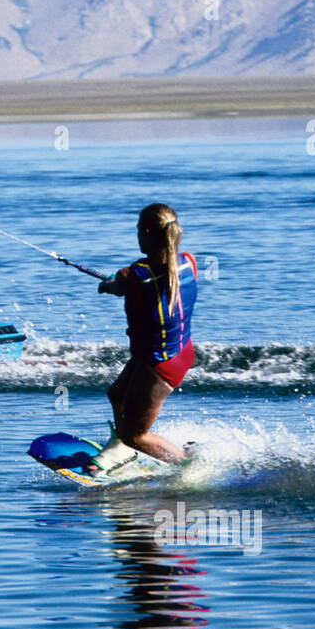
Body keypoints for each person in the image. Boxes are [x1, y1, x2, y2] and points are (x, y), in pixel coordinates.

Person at [87, 203, 198, 475]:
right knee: (116, 394)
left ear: (147, 232)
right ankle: (122, 447)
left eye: (138, 229)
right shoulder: (188, 262)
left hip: (160, 364)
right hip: (180, 350)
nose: (136, 234)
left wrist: (107, 284)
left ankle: (187, 464)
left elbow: (116, 286)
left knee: (137, 435)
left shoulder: (133, 275)